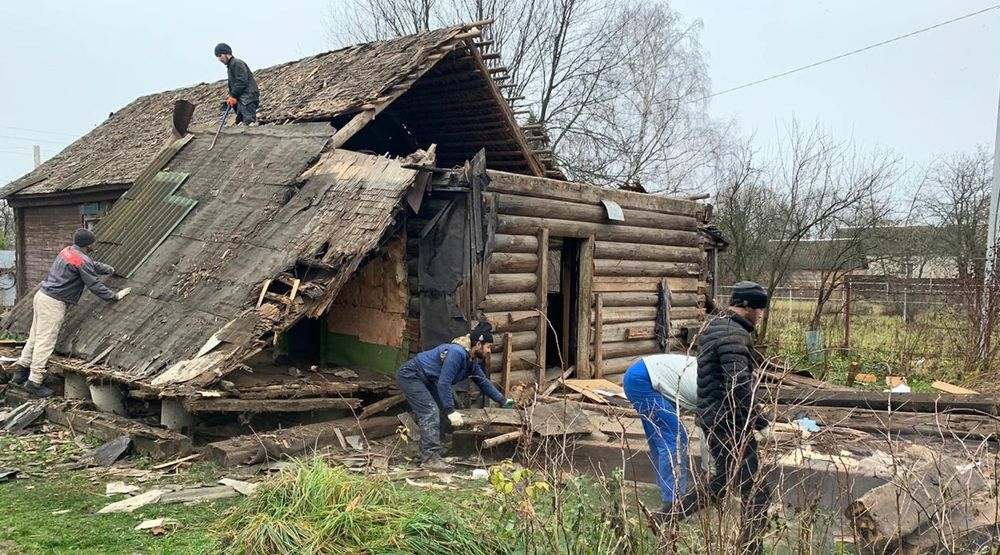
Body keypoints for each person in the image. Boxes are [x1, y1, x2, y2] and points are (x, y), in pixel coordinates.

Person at [678, 281, 772, 553]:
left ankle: (666, 517)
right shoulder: (734, 334)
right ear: (744, 306)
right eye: (758, 308)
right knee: (756, 491)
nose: (760, 314)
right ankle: (751, 548)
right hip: (728, 421)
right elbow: (738, 385)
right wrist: (761, 421)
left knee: (722, 482)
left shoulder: (714, 327)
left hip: (714, 418)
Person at [9, 229, 130, 397]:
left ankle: (20, 372)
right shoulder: (82, 260)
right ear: (89, 245)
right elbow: (94, 284)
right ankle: (34, 381)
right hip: (54, 303)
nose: (94, 245)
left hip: (42, 296)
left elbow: (89, 265)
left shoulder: (68, 251)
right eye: (93, 243)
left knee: (35, 337)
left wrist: (107, 269)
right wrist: (114, 296)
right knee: (46, 342)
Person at [396, 328, 514, 471]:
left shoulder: (471, 361)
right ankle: (429, 459)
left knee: (439, 411)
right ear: (478, 344)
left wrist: (503, 401)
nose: (489, 351)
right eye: (488, 347)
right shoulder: (456, 353)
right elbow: (444, 383)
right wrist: (451, 411)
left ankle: (434, 451)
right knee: (430, 411)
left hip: (427, 378)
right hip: (411, 375)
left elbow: (483, 382)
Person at [622, 353, 698, 518]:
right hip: (642, 380)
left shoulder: (712, 372)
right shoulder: (715, 388)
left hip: (639, 375)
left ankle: (668, 491)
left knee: (661, 438)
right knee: (675, 436)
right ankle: (673, 502)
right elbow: (710, 431)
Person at [214, 43, 259, 125]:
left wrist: (233, 95)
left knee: (249, 123)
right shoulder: (231, 66)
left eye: (220, 55)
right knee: (240, 122)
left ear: (226, 53)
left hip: (247, 99)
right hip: (242, 100)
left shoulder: (237, 63)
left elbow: (241, 81)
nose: (219, 59)